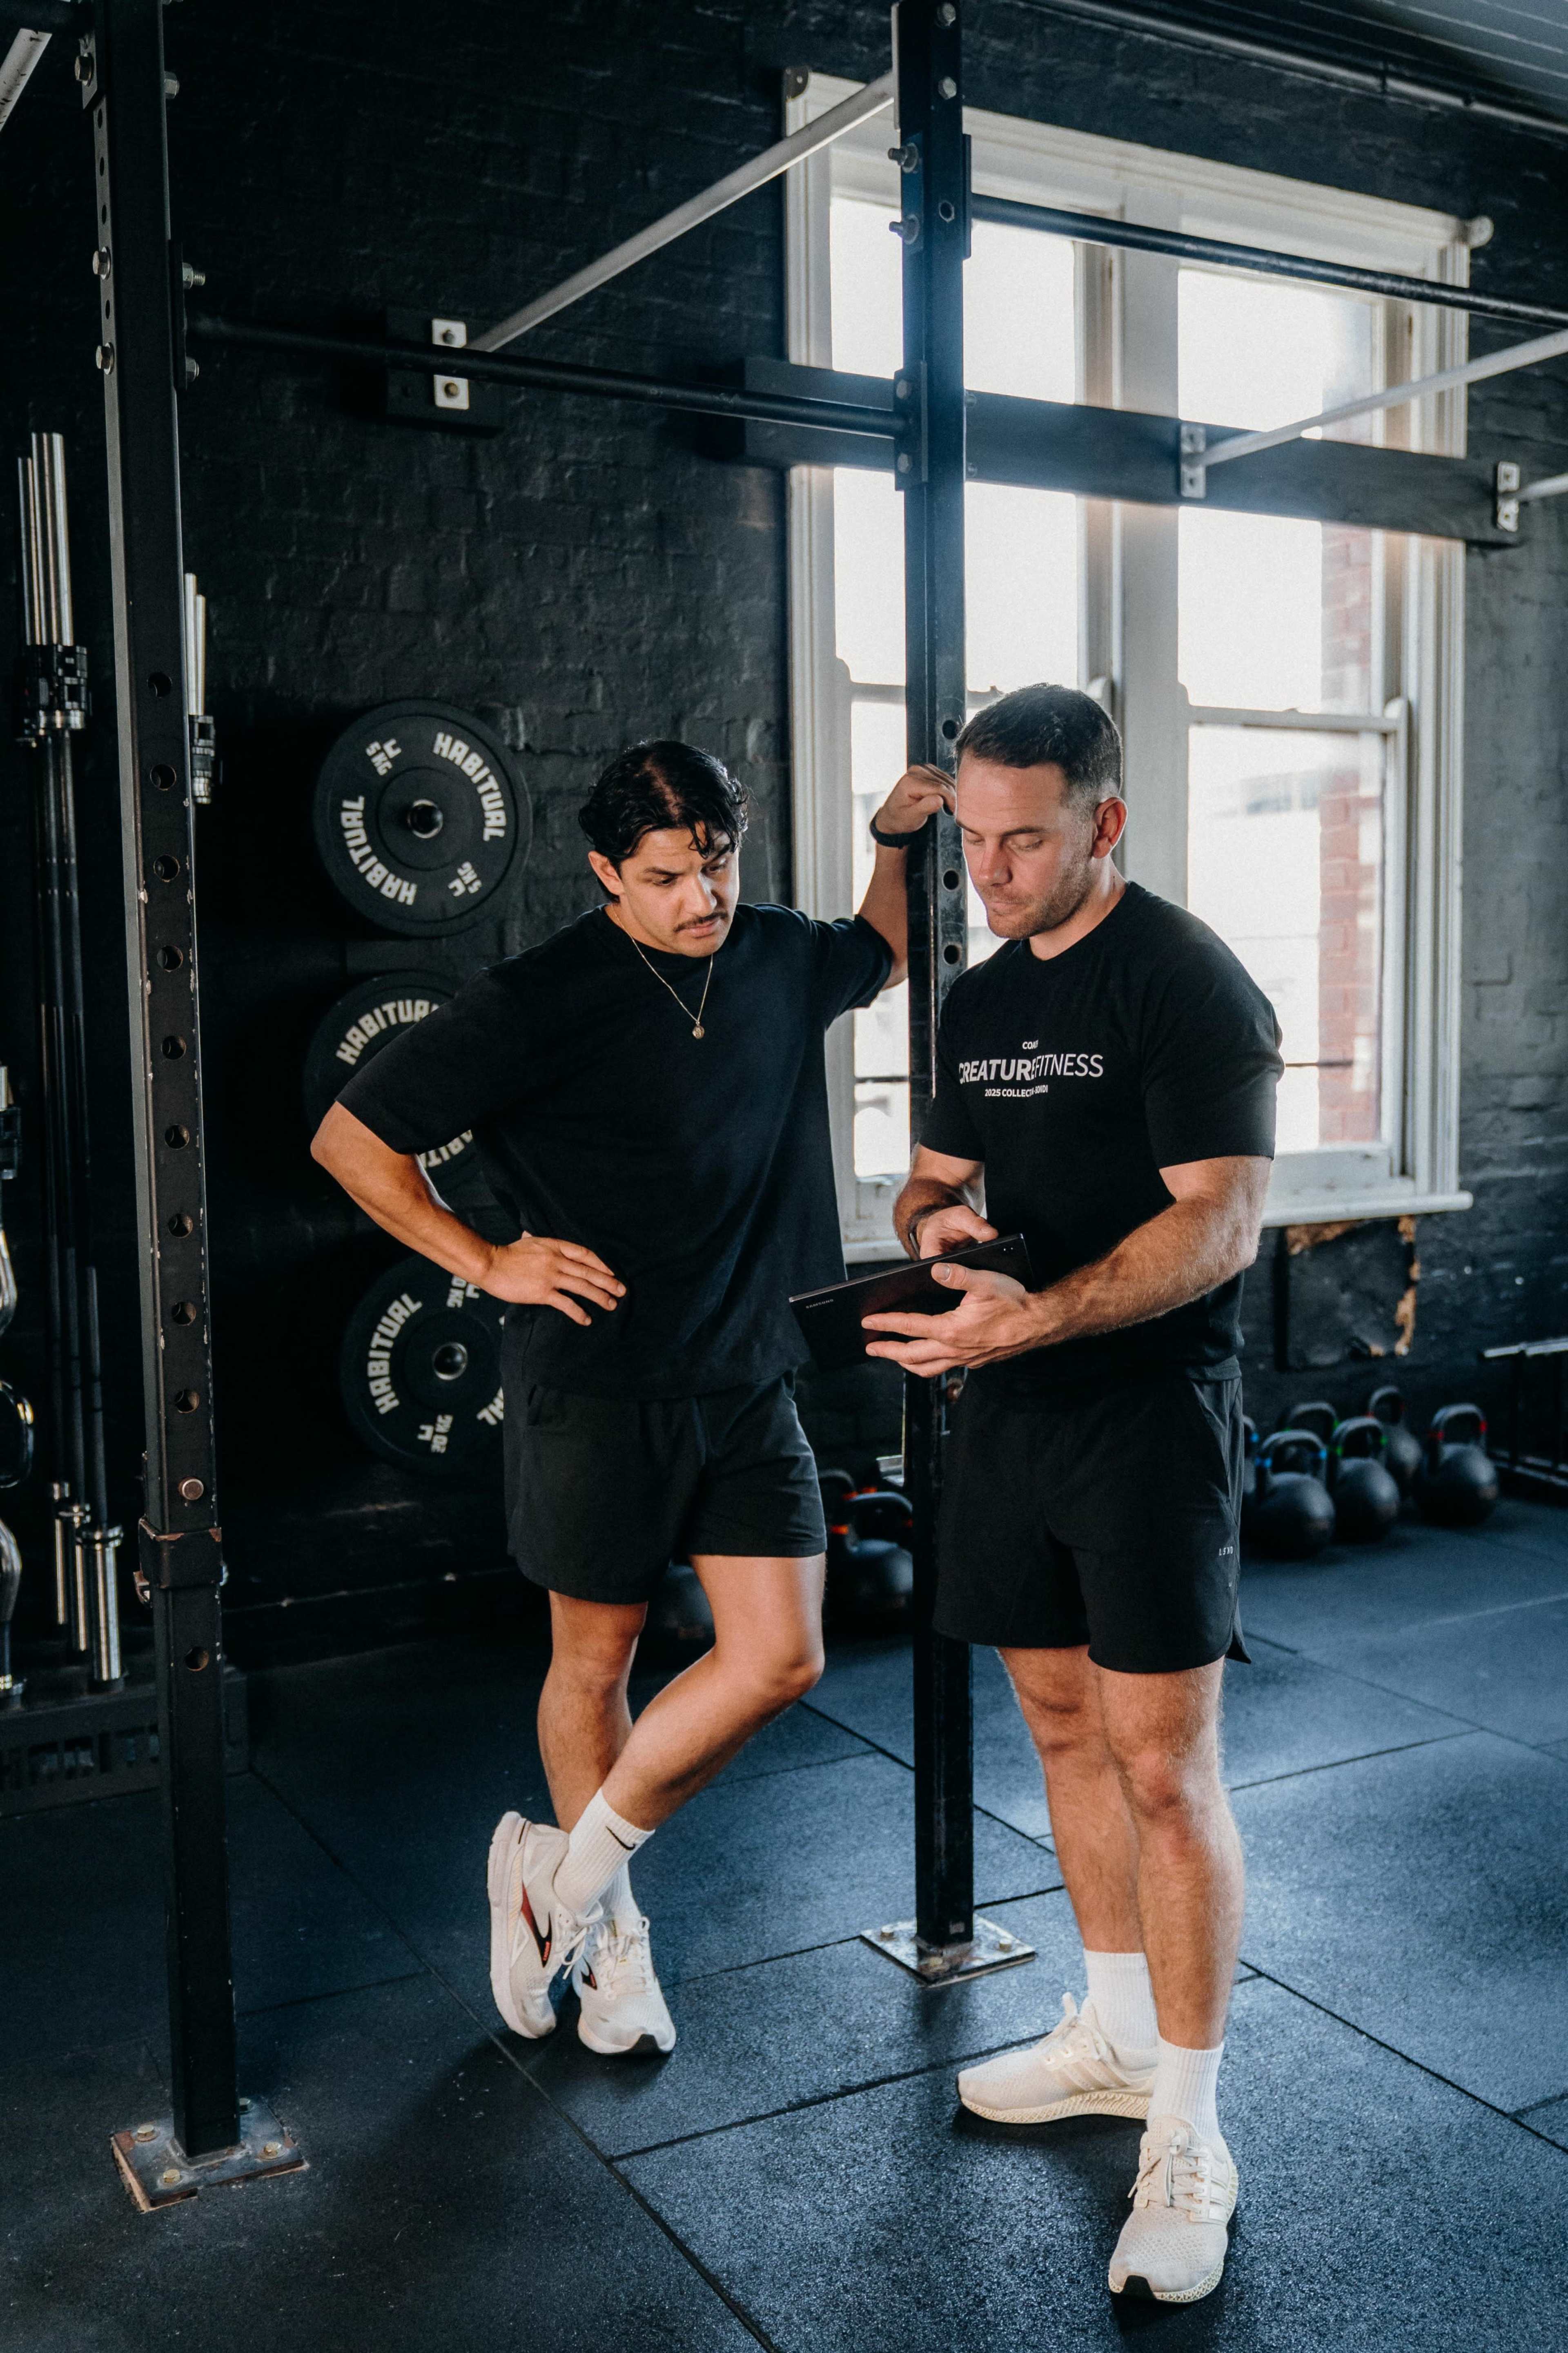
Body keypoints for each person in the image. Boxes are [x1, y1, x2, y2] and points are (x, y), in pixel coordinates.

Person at [312, 738, 948, 2059]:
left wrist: (890, 842)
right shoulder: (537, 996)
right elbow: (350, 1137)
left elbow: (881, 954)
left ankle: (558, 1878)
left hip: (748, 1373)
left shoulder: (772, 950)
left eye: (717, 864)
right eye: (666, 878)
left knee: (782, 1657)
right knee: (593, 1664)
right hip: (594, 1383)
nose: (701, 898)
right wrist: (486, 1259)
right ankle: (613, 1946)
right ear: (608, 872)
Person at [863, 682, 1282, 2308]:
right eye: (969, 840)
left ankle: (1189, 2121)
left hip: (1148, 1420)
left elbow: (1220, 1224)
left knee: (1165, 1771)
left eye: (1023, 838)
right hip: (1007, 1406)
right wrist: (936, 1228)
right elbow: (939, 1175)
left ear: (1105, 820)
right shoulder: (975, 1005)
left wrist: (1043, 1311)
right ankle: (1112, 2028)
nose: (990, 870)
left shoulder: (1187, 981)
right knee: (1054, 1728)